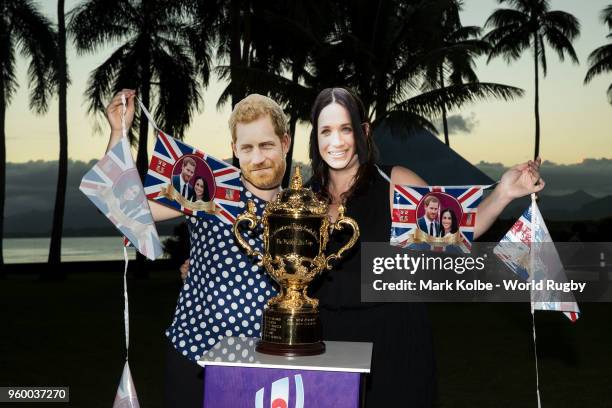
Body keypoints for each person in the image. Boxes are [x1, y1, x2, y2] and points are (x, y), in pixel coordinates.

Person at [308, 87, 545, 407]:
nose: (335, 141)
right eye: (326, 130)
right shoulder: (302, 198)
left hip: (391, 339)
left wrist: (503, 192)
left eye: (345, 128)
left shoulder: (395, 182)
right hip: (325, 341)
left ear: (363, 132)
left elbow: (455, 232)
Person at [105, 90, 291, 408]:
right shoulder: (211, 190)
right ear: (234, 149)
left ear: (285, 142)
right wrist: (117, 131)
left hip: (273, 365)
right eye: (247, 147)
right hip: (196, 357)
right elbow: (125, 211)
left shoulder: (303, 206)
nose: (257, 158)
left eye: (267, 145)